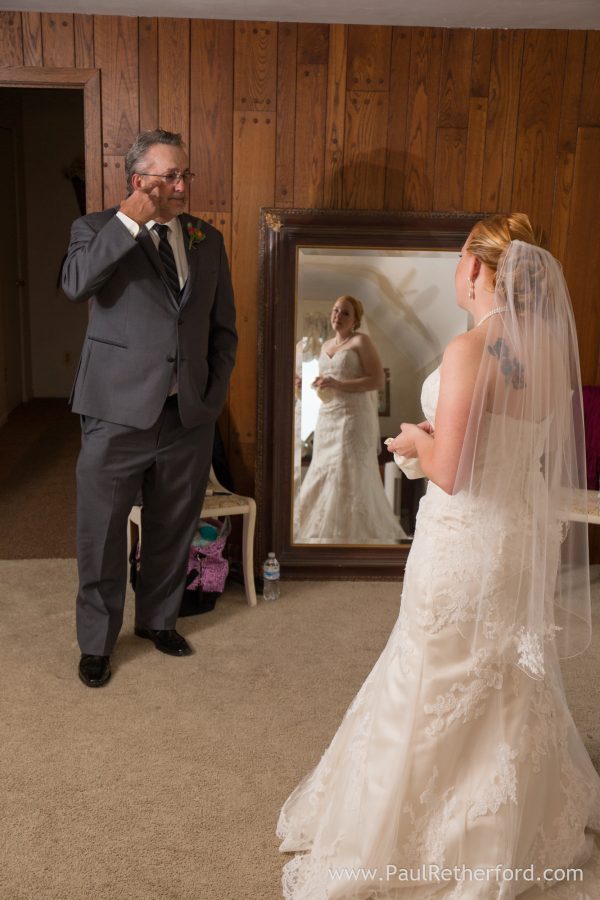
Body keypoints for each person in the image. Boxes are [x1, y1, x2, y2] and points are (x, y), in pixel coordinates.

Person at [277, 215, 600, 897]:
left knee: (428, 669)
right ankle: (510, 821)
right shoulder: (546, 348)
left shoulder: (469, 348)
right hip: (518, 538)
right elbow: (510, 443)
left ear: (479, 270)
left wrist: (412, 442)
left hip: (464, 540)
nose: (459, 269)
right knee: (507, 669)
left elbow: (451, 473)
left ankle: (404, 841)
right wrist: (440, 437)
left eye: (461, 258)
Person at [62, 129, 237, 688]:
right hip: (115, 410)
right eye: (170, 176)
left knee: (173, 526)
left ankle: (159, 620)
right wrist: (130, 220)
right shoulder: (93, 229)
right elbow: (75, 284)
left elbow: (221, 329)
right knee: (103, 531)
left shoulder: (206, 239)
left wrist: (209, 395)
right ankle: (96, 642)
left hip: (186, 414)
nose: (182, 185)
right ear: (139, 180)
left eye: (186, 175)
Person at [294, 296, 404, 544]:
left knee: (347, 469)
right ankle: (319, 533)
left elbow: (376, 381)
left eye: (345, 313)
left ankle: (350, 536)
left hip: (354, 418)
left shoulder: (360, 341)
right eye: (335, 310)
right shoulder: (324, 347)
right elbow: (328, 383)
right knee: (323, 467)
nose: (337, 316)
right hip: (328, 419)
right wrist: (311, 384)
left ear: (355, 320)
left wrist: (338, 383)